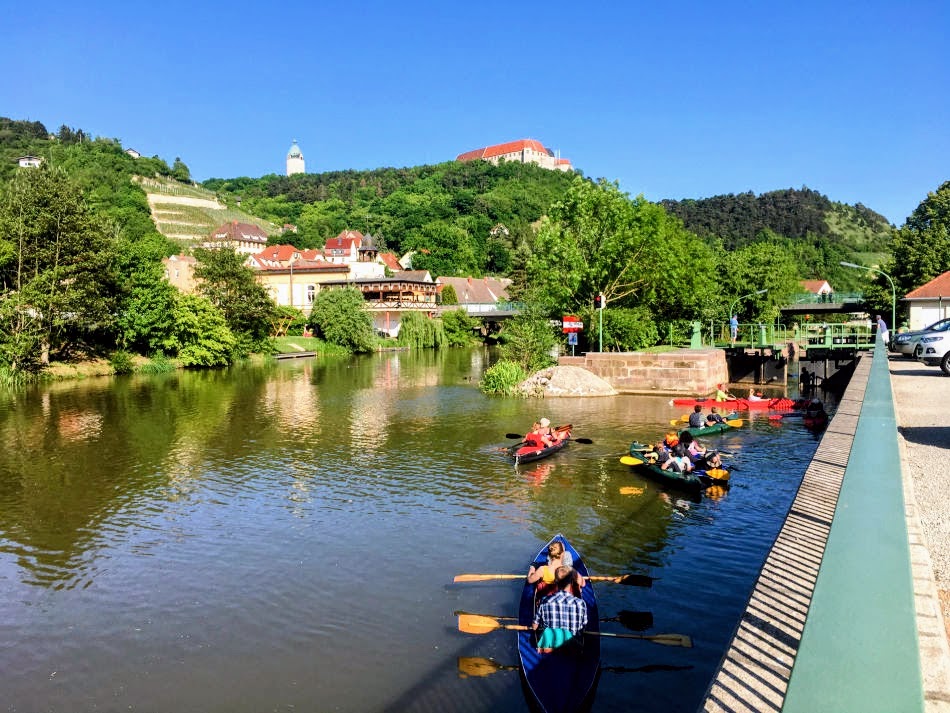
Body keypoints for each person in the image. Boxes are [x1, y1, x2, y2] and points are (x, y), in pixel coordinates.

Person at [533, 565, 588, 653]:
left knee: (546, 632)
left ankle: (549, 647)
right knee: (575, 640)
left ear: (555, 582)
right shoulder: (581, 603)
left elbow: (534, 626)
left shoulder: (545, 600)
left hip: (550, 641)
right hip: (571, 644)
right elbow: (583, 627)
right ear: (571, 582)